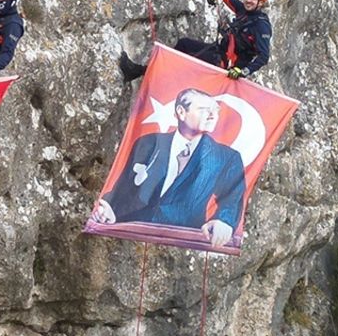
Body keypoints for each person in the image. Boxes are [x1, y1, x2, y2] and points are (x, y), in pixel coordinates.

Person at [91, 88, 246, 248]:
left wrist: (224, 221)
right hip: (132, 233)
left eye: (216, 110)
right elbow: (125, 186)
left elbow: (232, 196)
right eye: (204, 110)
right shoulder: (148, 143)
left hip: (184, 241)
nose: (213, 115)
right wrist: (111, 208)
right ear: (181, 112)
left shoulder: (226, 157)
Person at [119, 0, 272, 81]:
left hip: (227, 64)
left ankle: (141, 73)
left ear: (261, 3)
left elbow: (263, 56)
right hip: (219, 51)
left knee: (186, 60)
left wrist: (243, 71)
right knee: (184, 44)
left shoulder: (261, 26)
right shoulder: (243, 11)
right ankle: (152, 74)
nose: (248, 1)